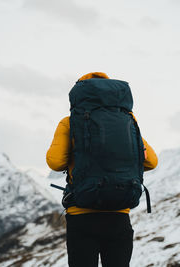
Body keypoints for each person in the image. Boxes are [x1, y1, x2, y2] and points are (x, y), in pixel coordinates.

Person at [46, 72, 158, 267]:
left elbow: (55, 162)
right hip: (119, 214)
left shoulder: (70, 122)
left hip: (82, 214)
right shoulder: (128, 122)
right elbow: (152, 162)